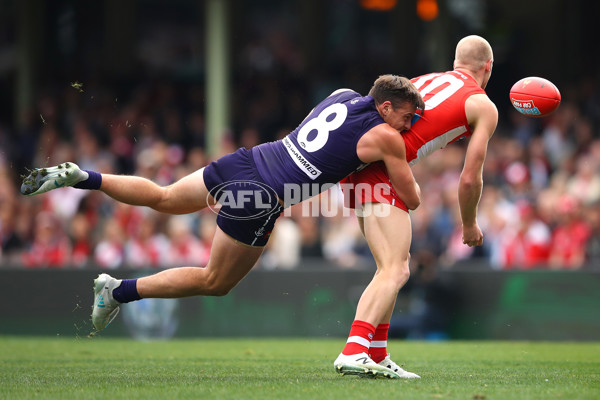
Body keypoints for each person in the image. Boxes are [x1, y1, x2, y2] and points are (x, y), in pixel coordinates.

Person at [21, 74, 424, 379]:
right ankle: (117, 291)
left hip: (248, 160)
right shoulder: (386, 137)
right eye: (406, 118)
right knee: (215, 281)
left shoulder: (340, 96)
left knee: (163, 197)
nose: (408, 127)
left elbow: (317, 141)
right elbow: (411, 196)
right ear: (386, 107)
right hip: (265, 193)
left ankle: (82, 177)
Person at [338, 35, 498, 378]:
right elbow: (470, 178)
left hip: (355, 167)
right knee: (395, 270)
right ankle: (354, 350)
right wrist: (468, 224)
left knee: (392, 266)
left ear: (456, 62)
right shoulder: (482, 104)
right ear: (488, 67)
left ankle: (377, 353)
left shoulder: (422, 81)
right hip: (383, 171)